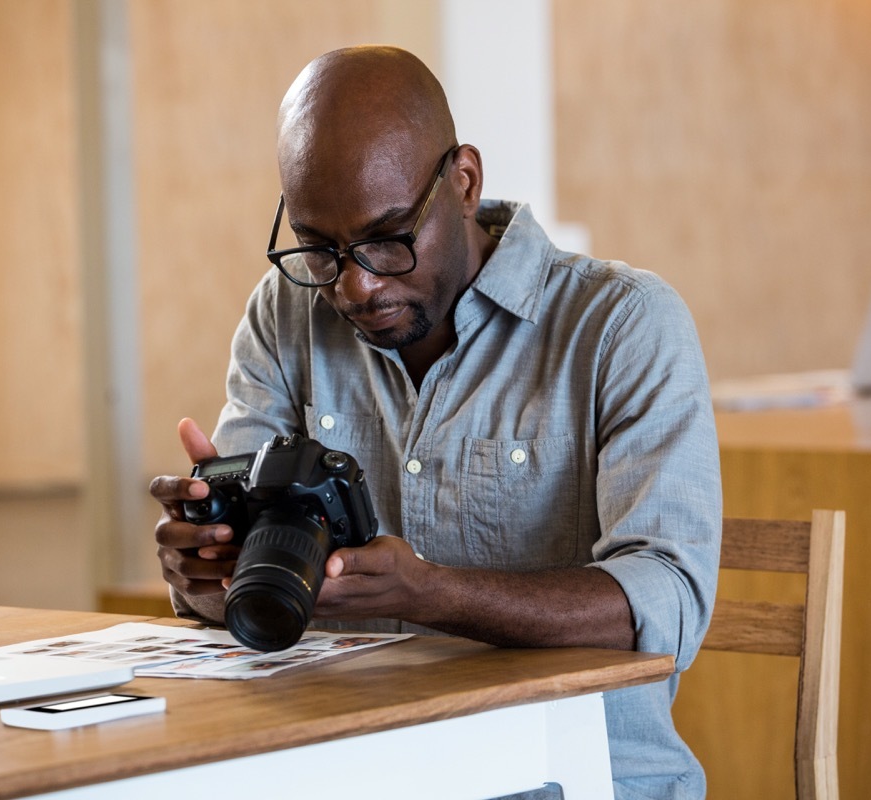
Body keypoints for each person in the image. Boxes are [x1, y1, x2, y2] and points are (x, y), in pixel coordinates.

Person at [150, 44, 721, 799]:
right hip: (352, 774)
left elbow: (667, 603)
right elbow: (249, 585)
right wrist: (206, 567)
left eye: (388, 237)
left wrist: (431, 594)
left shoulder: (623, 326)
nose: (355, 284)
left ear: (463, 181)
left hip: (575, 780)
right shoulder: (287, 314)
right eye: (321, 248)